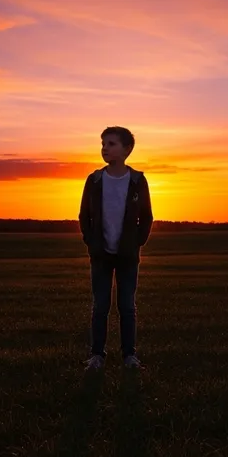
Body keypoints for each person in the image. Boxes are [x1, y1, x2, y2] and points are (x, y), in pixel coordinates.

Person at [78, 126, 153, 370]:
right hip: (100, 255)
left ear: (127, 149)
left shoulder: (137, 180)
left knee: (127, 306)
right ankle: (97, 355)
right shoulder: (95, 180)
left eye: (111, 144)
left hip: (127, 256)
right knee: (100, 306)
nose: (104, 148)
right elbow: (84, 215)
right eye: (103, 144)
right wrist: (91, 242)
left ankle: (129, 356)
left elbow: (147, 217)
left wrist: (135, 243)